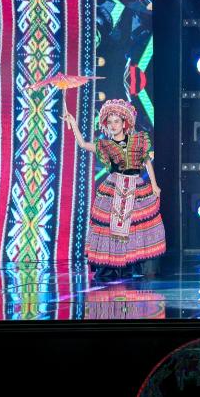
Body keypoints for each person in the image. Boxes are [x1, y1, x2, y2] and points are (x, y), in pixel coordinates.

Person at [64, 99, 165, 280]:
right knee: (112, 228)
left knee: (137, 226)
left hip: (136, 186)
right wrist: (73, 123)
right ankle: (114, 266)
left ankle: (133, 263)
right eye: (109, 122)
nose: (113, 125)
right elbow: (83, 145)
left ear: (124, 123)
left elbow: (147, 162)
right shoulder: (106, 145)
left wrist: (155, 184)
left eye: (116, 121)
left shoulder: (138, 141)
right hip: (115, 186)